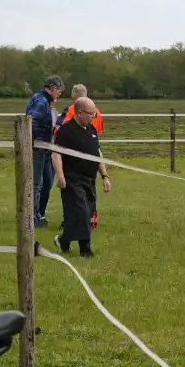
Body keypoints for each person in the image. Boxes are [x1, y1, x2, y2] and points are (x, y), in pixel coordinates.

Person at [51, 97, 111, 257]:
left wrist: (104, 175)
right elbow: (56, 154)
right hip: (72, 178)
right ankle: (85, 249)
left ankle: (63, 241)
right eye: (91, 114)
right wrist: (60, 176)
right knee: (81, 212)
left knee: (87, 213)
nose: (93, 117)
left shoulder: (91, 130)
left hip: (89, 179)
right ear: (79, 113)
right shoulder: (66, 130)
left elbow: (97, 153)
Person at [25, 75, 63, 228]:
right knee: (35, 184)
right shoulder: (41, 102)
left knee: (41, 182)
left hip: (42, 147)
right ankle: (32, 217)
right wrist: (38, 141)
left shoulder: (41, 99)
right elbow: (32, 122)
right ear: (53, 88)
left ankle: (36, 214)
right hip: (38, 147)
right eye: (59, 90)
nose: (59, 94)